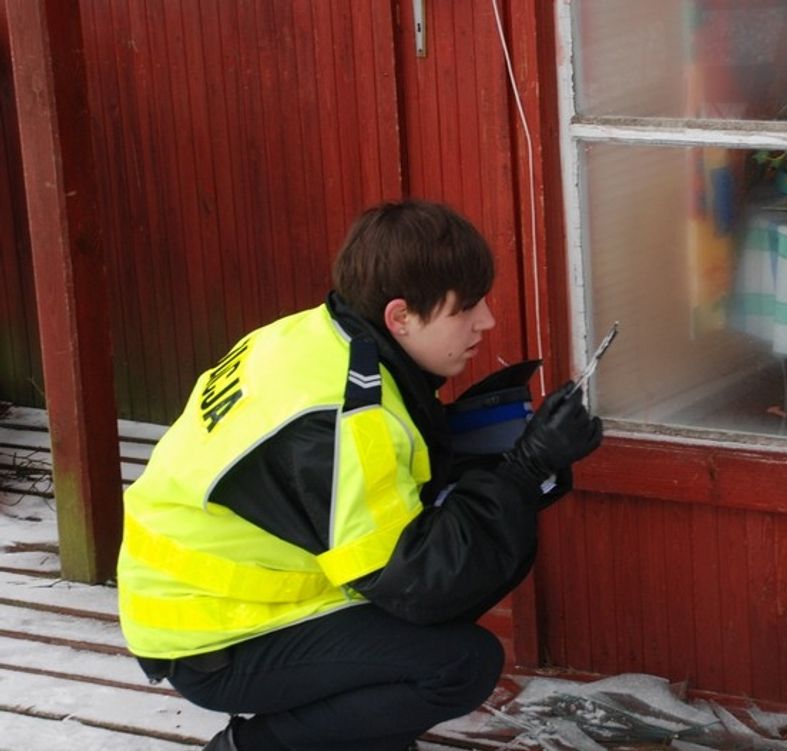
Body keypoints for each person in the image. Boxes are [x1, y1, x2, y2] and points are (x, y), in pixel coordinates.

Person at [116, 200, 603, 750]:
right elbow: (419, 584)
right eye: (465, 307)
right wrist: (524, 468)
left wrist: (509, 454)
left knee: (448, 603)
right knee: (460, 664)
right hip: (212, 636)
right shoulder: (348, 418)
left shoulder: (319, 336)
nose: (486, 320)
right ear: (400, 317)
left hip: (195, 599)